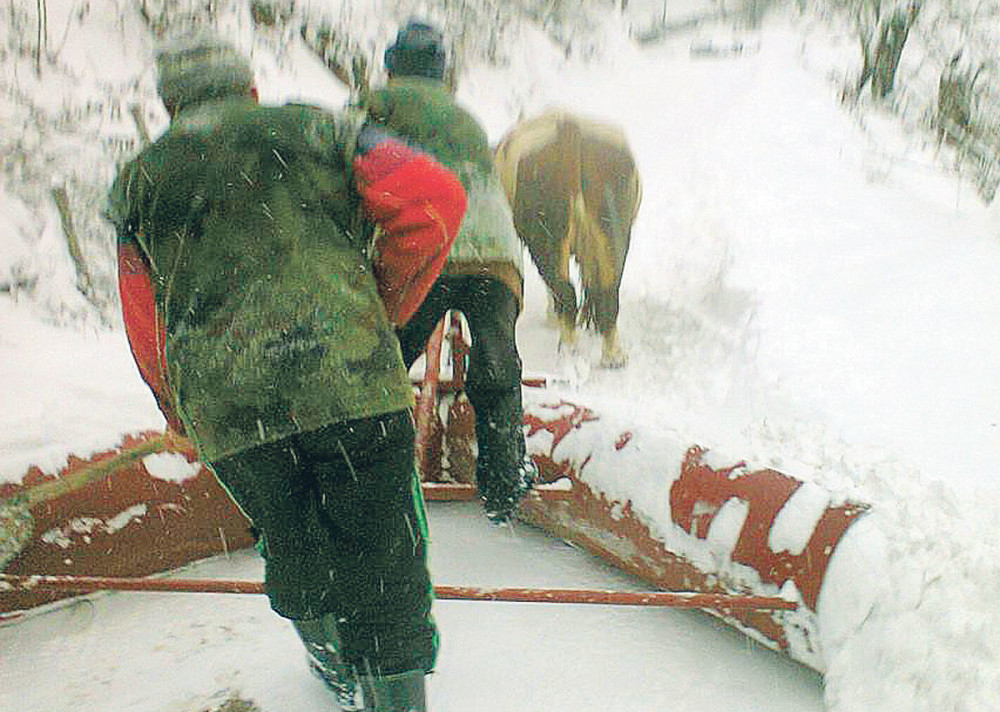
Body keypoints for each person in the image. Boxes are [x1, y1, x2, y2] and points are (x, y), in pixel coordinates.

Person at [108, 33, 468, 712]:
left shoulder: (138, 183)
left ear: (168, 107)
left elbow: (143, 314)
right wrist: (379, 303)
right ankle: (389, 694)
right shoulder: (321, 130)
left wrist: (176, 407)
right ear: (250, 88)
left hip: (233, 413)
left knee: (296, 546)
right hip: (350, 384)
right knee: (384, 564)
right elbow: (434, 198)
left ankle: (333, 667)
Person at [359, 20, 535, 523]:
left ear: (392, 66)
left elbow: (356, 177)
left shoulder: (376, 108)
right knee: (497, 367)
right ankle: (504, 480)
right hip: (495, 255)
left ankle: (376, 477)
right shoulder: (467, 119)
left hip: (427, 246)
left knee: (386, 362)